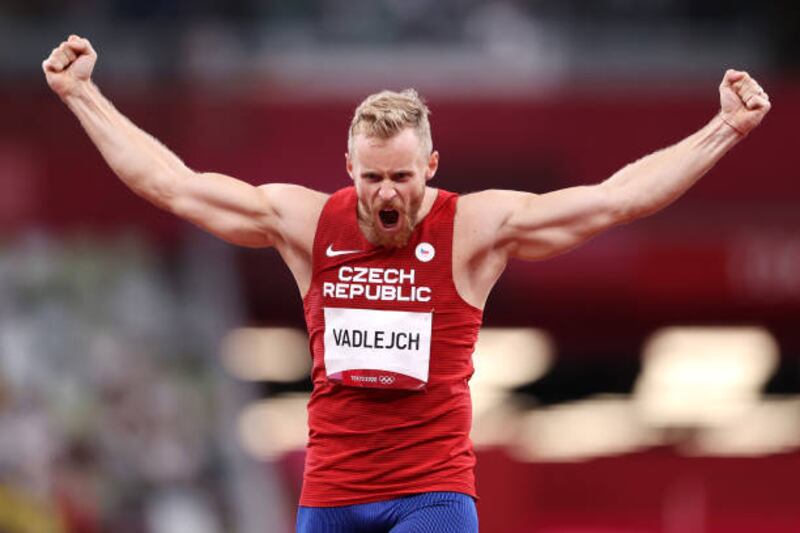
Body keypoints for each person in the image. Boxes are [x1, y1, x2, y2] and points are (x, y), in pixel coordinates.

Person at [43, 35, 771, 532]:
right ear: (348, 168)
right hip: (330, 494)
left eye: (400, 177)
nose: (386, 194)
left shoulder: (478, 229)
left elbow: (615, 199)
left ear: (430, 166)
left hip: (432, 493)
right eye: (370, 178)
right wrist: (81, 95)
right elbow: (174, 186)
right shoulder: (307, 223)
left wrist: (724, 130)